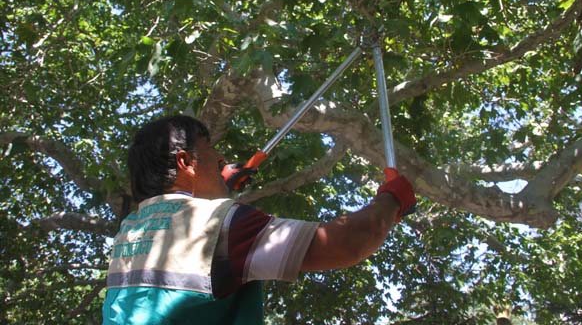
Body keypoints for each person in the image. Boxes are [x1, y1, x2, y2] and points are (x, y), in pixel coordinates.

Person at [102, 115, 416, 324]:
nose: (222, 159)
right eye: (212, 152)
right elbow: (351, 242)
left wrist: (217, 184)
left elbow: (181, 221)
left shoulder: (130, 230)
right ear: (186, 162)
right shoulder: (221, 223)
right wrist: (392, 198)